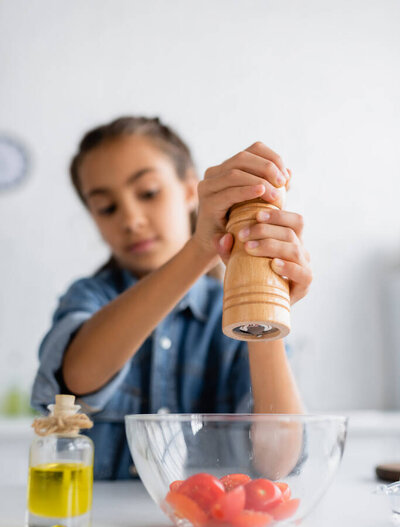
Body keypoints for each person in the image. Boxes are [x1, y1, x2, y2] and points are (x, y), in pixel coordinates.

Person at [31, 116, 312, 479]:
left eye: (148, 192)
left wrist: (266, 304)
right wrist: (200, 248)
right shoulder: (89, 295)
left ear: (187, 189)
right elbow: (77, 379)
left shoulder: (227, 312)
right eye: (107, 207)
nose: (131, 219)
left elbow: (279, 462)